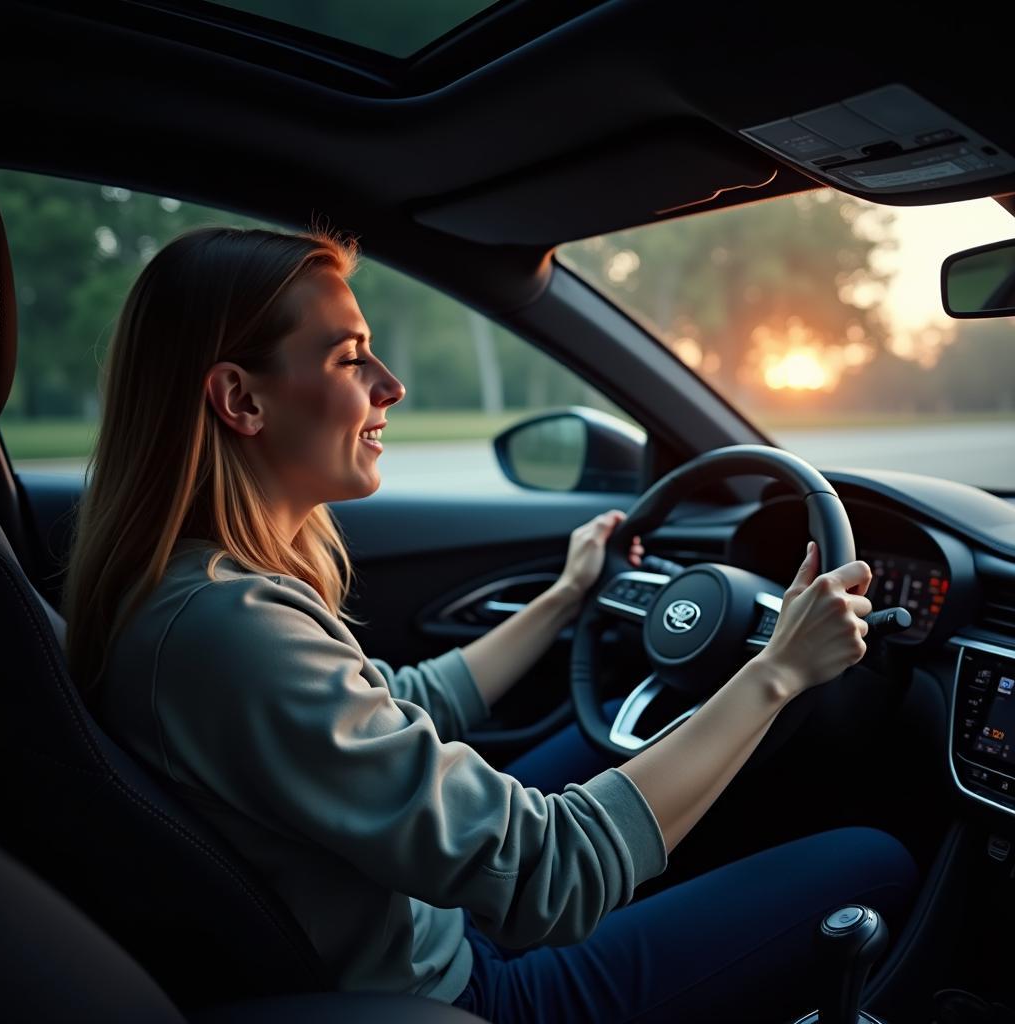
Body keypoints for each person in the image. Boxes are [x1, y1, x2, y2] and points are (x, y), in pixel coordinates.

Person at [63, 227, 917, 1024]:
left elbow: (399, 703)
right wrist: (775, 672)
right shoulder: (230, 630)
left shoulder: (197, 591)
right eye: (350, 357)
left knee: (619, 745)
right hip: (462, 991)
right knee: (872, 860)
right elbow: (556, 875)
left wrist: (564, 597)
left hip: (417, 918)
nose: (390, 386)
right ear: (240, 399)